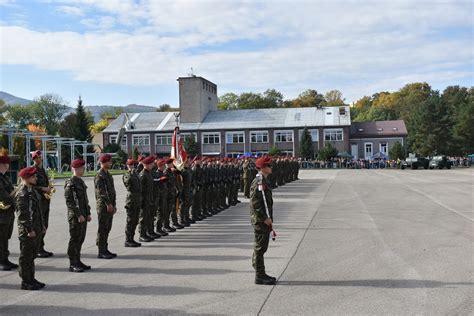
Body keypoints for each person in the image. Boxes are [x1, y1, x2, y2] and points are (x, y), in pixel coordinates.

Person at [15, 167, 46, 290]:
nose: (35, 178)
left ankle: (31, 278)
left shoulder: (32, 191)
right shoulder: (23, 194)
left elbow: (37, 211)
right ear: (25, 178)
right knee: (26, 256)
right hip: (28, 231)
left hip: (36, 228)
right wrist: (29, 229)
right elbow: (23, 215)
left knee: (32, 255)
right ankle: (26, 281)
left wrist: (42, 225)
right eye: (33, 176)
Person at [249, 156, 276, 285]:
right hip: (260, 220)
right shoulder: (259, 182)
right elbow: (255, 203)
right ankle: (259, 275)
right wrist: (264, 218)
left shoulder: (264, 180)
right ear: (263, 168)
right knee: (260, 247)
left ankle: (261, 273)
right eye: (269, 166)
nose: (271, 168)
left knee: (262, 247)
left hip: (263, 219)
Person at [64, 159, 92, 272]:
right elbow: (70, 202)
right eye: (82, 168)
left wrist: (88, 213)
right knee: (75, 239)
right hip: (76, 217)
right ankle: (73, 263)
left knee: (80, 239)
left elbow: (84, 200)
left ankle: (78, 260)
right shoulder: (70, 183)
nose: (84, 169)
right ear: (76, 169)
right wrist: (79, 215)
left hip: (83, 215)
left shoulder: (80, 182)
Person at [31, 150, 54, 258]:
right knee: (39, 225)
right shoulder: (33, 170)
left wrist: (50, 188)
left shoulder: (43, 170)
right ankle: (37, 249)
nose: (38, 159)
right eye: (36, 158)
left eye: (39, 157)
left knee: (45, 224)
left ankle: (41, 246)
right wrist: (43, 188)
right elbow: (30, 186)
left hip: (45, 200)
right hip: (38, 201)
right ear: (33, 159)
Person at [94, 154, 117, 259]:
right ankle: (101, 250)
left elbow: (112, 191)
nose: (111, 163)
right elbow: (101, 192)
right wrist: (108, 203)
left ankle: (105, 248)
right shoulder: (100, 175)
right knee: (103, 228)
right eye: (109, 161)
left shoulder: (108, 174)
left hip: (110, 205)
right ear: (103, 162)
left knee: (107, 228)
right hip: (103, 205)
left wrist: (114, 204)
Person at [0, 152, 18, 271]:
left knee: (5, 237)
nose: (8, 165)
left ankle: (5, 259)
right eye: (6, 163)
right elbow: (3, 195)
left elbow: (11, 192)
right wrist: (16, 201)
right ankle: (1, 261)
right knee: (1, 238)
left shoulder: (4, 177)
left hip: (8, 213)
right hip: (1, 213)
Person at [123, 159, 142, 247]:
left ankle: (132, 238)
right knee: (130, 221)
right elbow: (127, 184)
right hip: (131, 200)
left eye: (133, 165)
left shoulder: (136, 174)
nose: (132, 167)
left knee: (135, 220)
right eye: (130, 165)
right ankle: (128, 240)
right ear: (127, 166)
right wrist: (131, 172)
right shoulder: (127, 175)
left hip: (137, 199)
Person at [138, 156, 157, 242]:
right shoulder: (143, 175)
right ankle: (142, 234)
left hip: (149, 198)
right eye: (151, 163)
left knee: (149, 217)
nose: (153, 164)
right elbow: (140, 190)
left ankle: (148, 232)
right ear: (147, 164)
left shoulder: (148, 173)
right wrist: (141, 201)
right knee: (143, 218)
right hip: (144, 200)